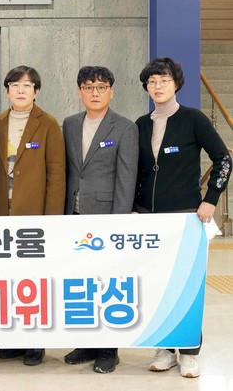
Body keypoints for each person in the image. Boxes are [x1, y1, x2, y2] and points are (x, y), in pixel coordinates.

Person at [0, 65, 65, 368]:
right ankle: (13, 339)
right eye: (15, 85)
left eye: (28, 85)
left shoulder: (48, 124)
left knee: (33, 280)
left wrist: (51, 220)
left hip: (33, 216)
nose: (21, 90)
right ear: (6, 90)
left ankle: (35, 343)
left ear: (37, 91)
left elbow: (56, 175)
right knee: (5, 280)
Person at [135, 57, 231, 379]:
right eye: (152, 81)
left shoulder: (193, 119)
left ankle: (189, 352)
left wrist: (211, 199)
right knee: (156, 286)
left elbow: (224, 159)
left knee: (186, 289)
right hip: (149, 220)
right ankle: (164, 349)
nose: (157, 86)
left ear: (176, 84)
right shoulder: (141, 124)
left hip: (185, 218)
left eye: (164, 80)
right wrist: (134, 206)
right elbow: (137, 171)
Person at [62, 66, 138, 374]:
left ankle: (109, 349)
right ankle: (87, 343)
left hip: (106, 217)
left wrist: (117, 223)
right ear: (79, 91)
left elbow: (126, 178)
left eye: (101, 87)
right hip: (74, 216)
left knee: (108, 282)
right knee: (83, 281)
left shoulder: (125, 128)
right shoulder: (69, 124)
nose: (95, 93)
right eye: (89, 87)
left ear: (111, 92)